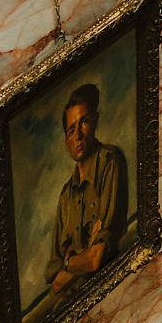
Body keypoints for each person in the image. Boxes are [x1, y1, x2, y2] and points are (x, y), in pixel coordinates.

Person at [43, 83, 128, 302]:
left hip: (115, 291)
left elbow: (95, 259)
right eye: (71, 130)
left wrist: (70, 261)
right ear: (66, 141)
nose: (78, 135)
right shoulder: (65, 197)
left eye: (84, 123)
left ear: (95, 121)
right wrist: (85, 253)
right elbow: (56, 282)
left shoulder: (110, 162)